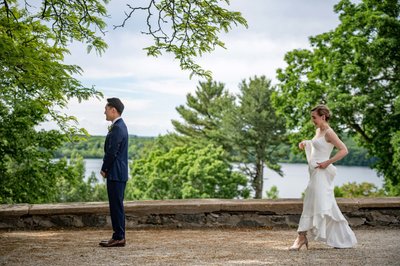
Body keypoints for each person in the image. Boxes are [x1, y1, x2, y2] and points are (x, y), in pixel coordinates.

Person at [289, 104, 357, 251]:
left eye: (314, 117)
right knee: (324, 204)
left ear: (323, 117)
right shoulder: (318, 130)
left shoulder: (329, 132)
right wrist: (306, 143)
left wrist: (328, 162)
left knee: (314, 202)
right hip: (314, 172)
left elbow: (344, 150)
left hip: (321, 173)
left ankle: (301, 237)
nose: (312, 120)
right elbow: (318, 147)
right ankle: (342, 238)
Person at [99, 98, 129, 247]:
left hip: (115, 173)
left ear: (113, 110)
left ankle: (119, 237)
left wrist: (104, 169)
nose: (104, 111)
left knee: (116, 206)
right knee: (117, 205)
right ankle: (118, 236)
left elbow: (112, 152)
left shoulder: (118, 128)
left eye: (106, 108)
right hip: (118, 173)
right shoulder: (119, 126)